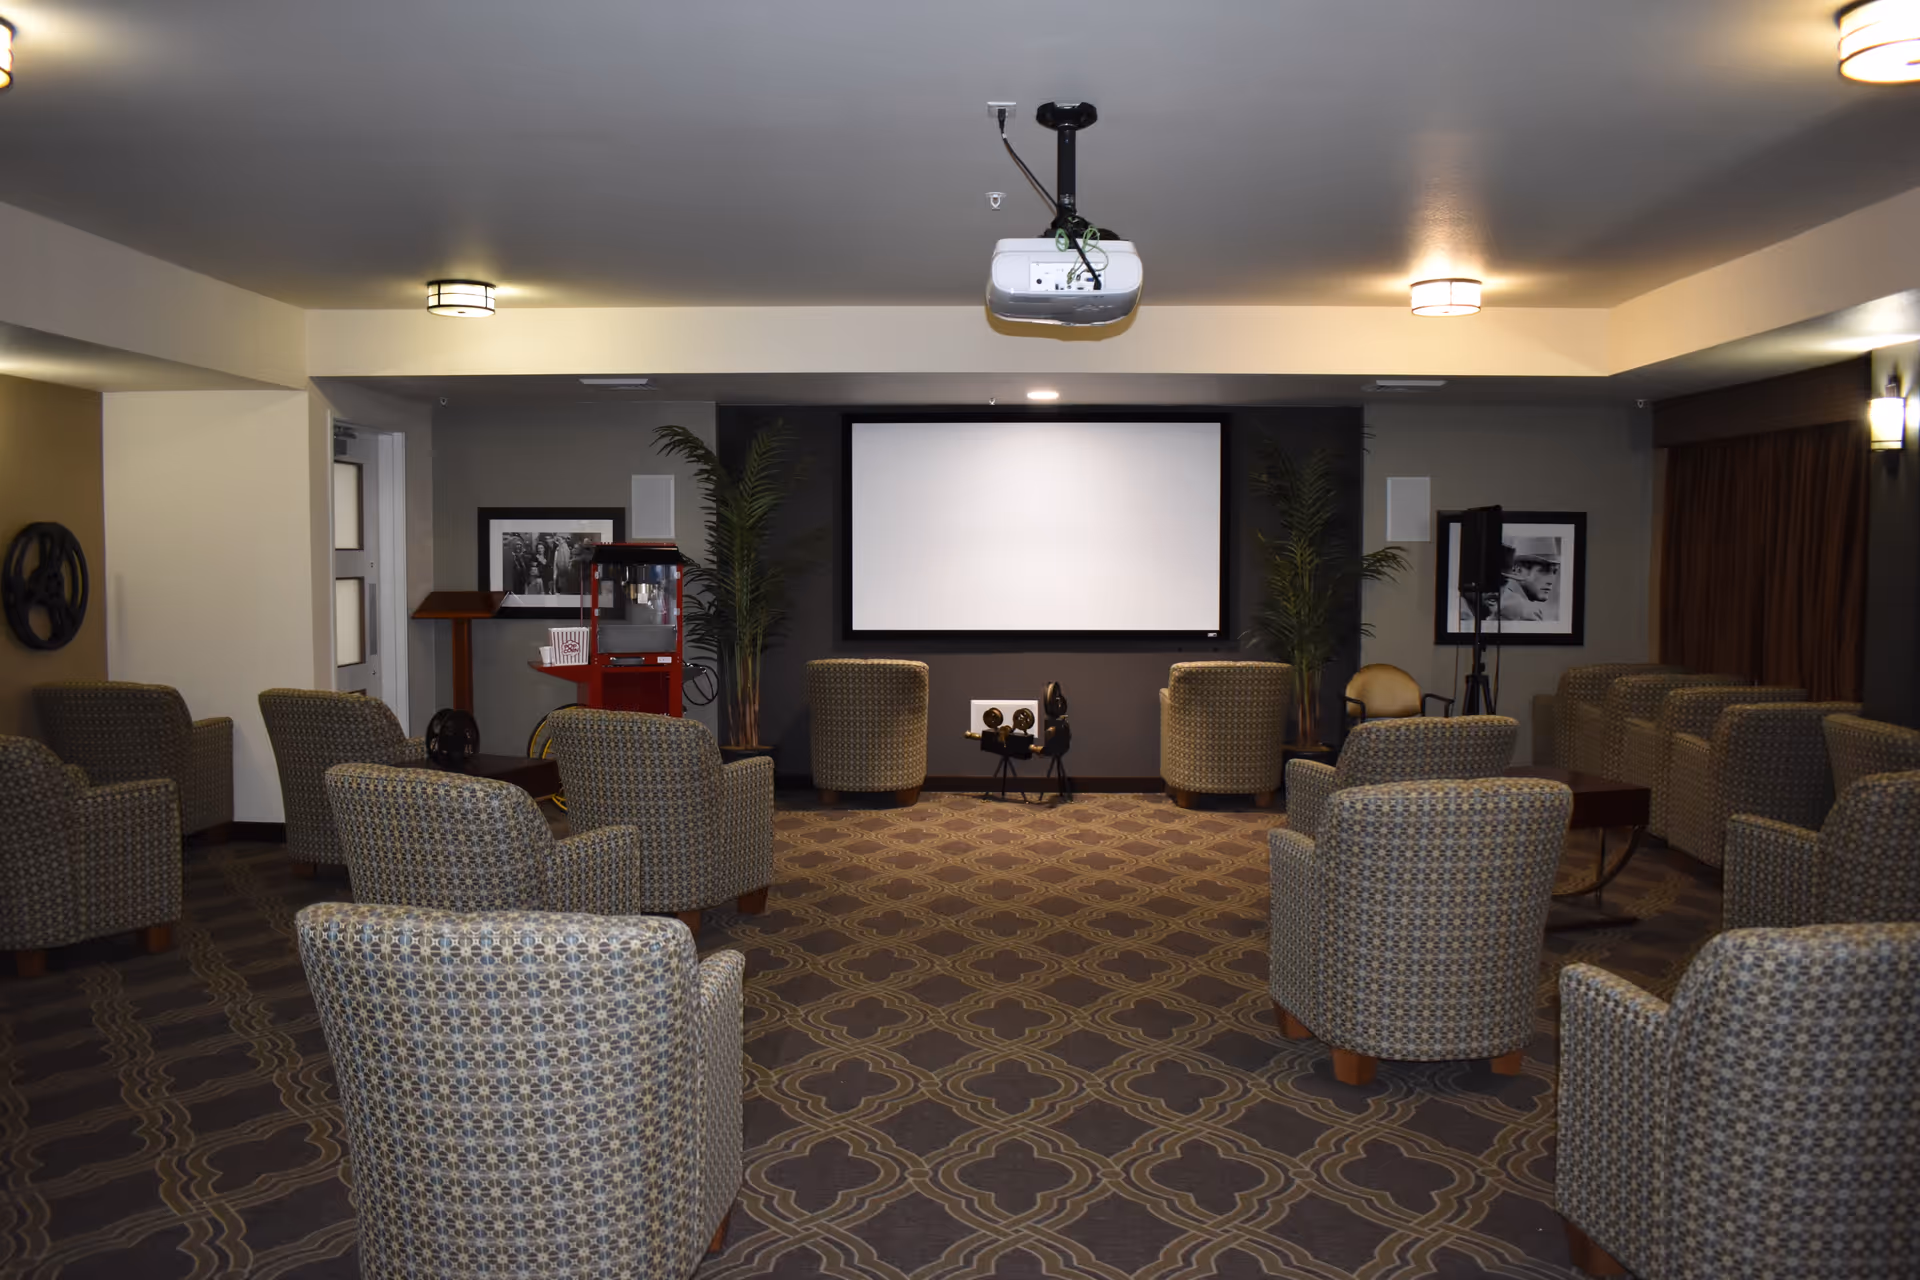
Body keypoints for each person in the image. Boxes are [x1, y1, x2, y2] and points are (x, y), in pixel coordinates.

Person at [1496, 537, 1560, 622]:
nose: (1551, 581)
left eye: (1554, 571)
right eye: (1544, 571)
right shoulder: (1526, 614)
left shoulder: (1504, 601)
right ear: (1518, 570)